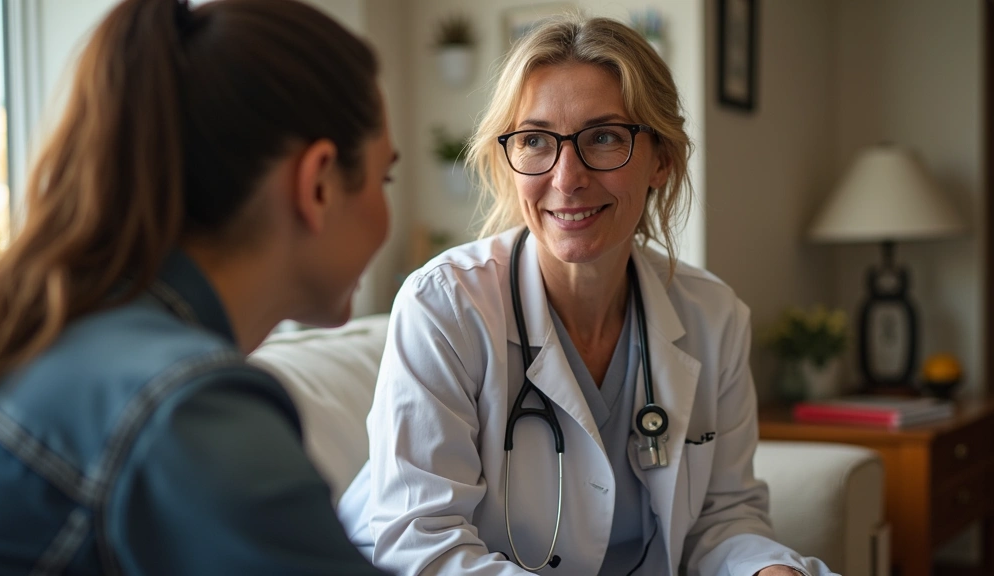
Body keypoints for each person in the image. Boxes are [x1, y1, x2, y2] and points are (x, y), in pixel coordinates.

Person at [338, 15, 834, 576]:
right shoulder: (444, 308)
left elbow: (723, 520)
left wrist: (769, 570)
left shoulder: (713, 316)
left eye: (603, 137)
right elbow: (423, 545)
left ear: (661, 161)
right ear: (509, 159)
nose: (567, 177)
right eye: (535, 141)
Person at [0, 0, 395, 574]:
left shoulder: (63, 333)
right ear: (318, 183)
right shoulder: (187, 409)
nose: (387, 212)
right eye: (383, 176)